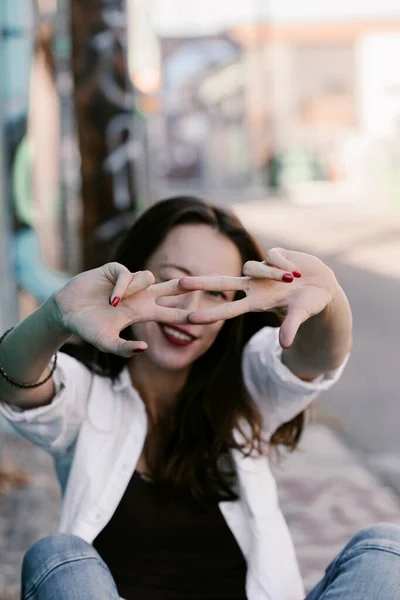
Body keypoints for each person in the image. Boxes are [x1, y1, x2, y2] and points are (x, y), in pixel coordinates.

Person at [0, 196, 398, 600]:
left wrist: (328, 300)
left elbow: (314, 357)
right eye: (176, 281)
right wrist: (55, 316)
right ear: (133, 274)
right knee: (57, 555)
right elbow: (16, 382)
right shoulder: (88, 391)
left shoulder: (247, 382)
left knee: (386, 550)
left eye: (216, 294)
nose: (191, 311)